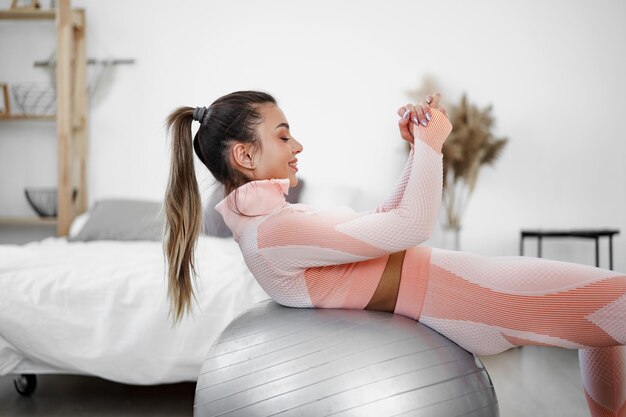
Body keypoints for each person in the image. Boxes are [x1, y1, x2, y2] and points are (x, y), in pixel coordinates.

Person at [164, 90, 626, 417]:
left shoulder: (267, 224)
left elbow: (386, 220)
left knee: (602, 330)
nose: (298, 145)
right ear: (245, 156)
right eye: (283, 136)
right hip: (476, 297)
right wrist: (431, 144)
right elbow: (413, 225)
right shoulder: (273, 230)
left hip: (469, 288)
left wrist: (414, 151)